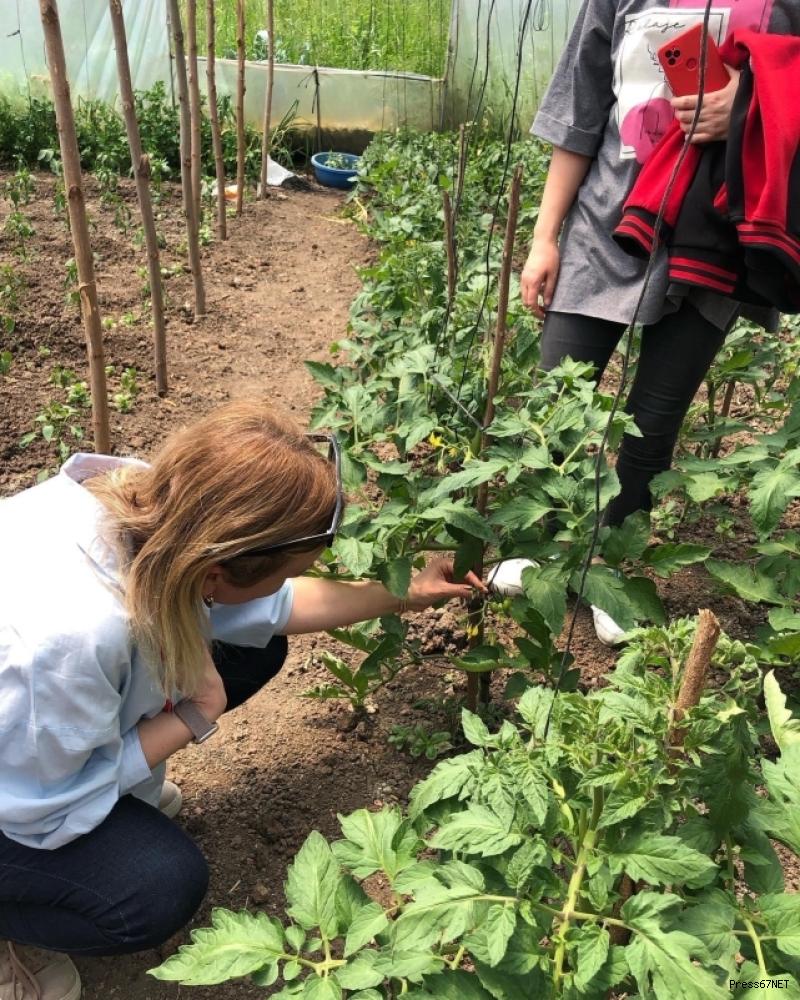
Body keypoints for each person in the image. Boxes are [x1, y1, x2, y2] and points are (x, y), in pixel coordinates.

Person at [0, 401, 484, 1000]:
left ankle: (114, 804)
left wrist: (403, 592)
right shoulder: (69, 640)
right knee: (156, 889)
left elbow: (274, 608)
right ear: (215, 573)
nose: (284, 584)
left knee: (256, 647)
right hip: (23, 797)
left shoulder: (149, 502)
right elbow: (40, 808)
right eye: (285, 570)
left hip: (33, 736)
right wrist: (197, 712)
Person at [493, 0, 799, 644]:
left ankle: (616, 570)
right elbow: (579, 113)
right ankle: (544, 551)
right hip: (605, 221)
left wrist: (749, 102)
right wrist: (545, 237)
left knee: (653, 422)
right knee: (556, 400)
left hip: (714, 237)